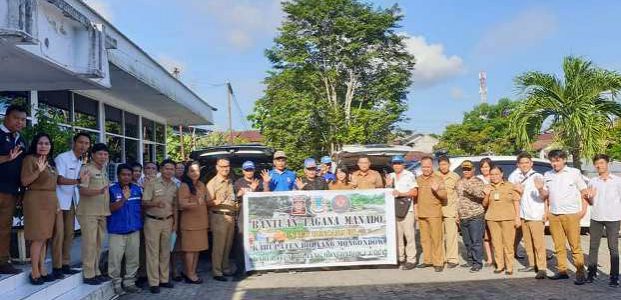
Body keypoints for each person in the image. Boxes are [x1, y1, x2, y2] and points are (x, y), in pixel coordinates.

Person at [535, 149, 588, 284]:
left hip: (571, 214)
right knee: (558, 245)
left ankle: (580, 272)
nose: (555, 164)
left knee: (575, 245)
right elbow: (544, 196)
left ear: (564, 160)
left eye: (557, 160)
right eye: (552, 161)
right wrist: (540, 188)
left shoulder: (574, 173)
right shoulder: (547, 174)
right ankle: (562, 271)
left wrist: (583, 211)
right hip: (554, 215)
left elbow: (584, 191)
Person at [52, 132, 90, 279]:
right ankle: (56, 267)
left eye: (86, 143)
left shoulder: (80, 161)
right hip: (59, 201)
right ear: (74, 142)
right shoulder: (62, 158)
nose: (84, 146)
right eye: (81, 142)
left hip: (72, 201)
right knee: (59, 234)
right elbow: (59, 180)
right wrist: (78, 181)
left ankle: (65, 263)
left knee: (69, 233)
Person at [21, 133, 58, 284]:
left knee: (45, 237)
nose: (43, 146)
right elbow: (24, 182)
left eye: (47, 143)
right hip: (36, 200)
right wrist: (38, 171)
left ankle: (42, 268)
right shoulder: (30, 159)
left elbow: (53, 184)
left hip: (50, 200)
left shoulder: (50, 161)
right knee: (38, 237)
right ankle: (34, 272)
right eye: (40, 143)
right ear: (35, 145)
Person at [508, 152, 547, 279]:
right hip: (524, 214)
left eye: (526, 162)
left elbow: (545, 196)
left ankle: (542, 267)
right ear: (518, 165)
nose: (524, 165)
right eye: (522, 163)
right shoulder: (518, 178)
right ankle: (532, 263)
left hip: (536, 214)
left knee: (538, 243)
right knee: (528, 242)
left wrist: (540, 189)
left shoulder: (538, 176)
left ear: (531, 163)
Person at [142, 159, 178, 293]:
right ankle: (153, 282)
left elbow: (175, 206)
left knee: (165, 252)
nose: (169, 171)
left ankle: (164, 279)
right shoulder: (152, 183)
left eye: (171, 169)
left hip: (168, 221)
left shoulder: (175, 186)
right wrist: (155, 204)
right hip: (152, 221)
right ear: (161, 170)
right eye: (167, 168)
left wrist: (175, 223)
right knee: (152, 252)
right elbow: (144, 202)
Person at [585, 154, 621, 287]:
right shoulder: (593, 181)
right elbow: (590, 202)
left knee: (613, 248)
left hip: (613, 218)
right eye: (597, 164)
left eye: (601, 163)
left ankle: (614, 276)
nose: (599, 166)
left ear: (607, 164)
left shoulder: (618, 181)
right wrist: (590, 197)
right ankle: (591, 273)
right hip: (596, 217)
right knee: (593, 246)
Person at [107, 164, 143, 295]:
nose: (126, 177)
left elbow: (141, 208)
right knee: (115, 260)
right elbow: (109, 209)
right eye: (123, 174)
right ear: (118, 176)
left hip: (134, 230)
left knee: (133, 259)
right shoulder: (111, 190)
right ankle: (116, 284)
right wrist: (123, 199)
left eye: (129, 175)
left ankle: (130, 283)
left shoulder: (138, 189)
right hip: (116, 231)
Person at [77, 143, 111, 285]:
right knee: (90, 244)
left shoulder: (103, 170)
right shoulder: (86, 169)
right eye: (100, 154)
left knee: (98, 244)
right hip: (88, 213)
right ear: (93, 155)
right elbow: (82, 190)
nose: (103, 157)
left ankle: (96, 271)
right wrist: (99, 191)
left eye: (105, 154)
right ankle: (88, 274)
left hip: (102, 212)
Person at [232, 161, 270, 281]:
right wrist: (250, 191)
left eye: (251, 169)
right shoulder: (238, 182)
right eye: (247, 170)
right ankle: (240, 269)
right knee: (241, 243)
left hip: (256, 216)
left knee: (256, 240)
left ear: (254, 170)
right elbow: (235, 197)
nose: (249, 172)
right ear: (243, 171)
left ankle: (254, 267)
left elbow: (266, 196)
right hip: (243, 216)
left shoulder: (258, 181)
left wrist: (266, 183)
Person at [0, 104, 26, 275]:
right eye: (16, 118)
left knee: (4, 227)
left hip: (10, 191)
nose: (20, 122)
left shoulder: (21, 139)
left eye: (23, 119)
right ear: (6, 117)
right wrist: (6, 158)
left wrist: (22, 190)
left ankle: (3, 262)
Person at [483, 166, 520, 275]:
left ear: (502, 174)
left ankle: (509, 267)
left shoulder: (510, 186)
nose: (494, 177)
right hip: (492, 219)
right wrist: (486, 194)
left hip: (508, 218)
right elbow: (484, 204)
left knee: (508, 244)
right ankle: (500, 265)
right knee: (496, 243)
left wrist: (517, 217)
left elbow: (516, 202)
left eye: (496, 174)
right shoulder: (487, 187)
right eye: (492, 174)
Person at [177, 161, 208, 284]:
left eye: (197, 170)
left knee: (197, 249)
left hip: (201, 223)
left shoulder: (201, 184)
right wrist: (196, 203)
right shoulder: (184, 186)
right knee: (190, 250)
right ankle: (190, 274)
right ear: (187, 172)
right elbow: (181, 204)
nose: (195, 173)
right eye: (192, 171)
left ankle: (192, 271)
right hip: (190, 224)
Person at [385, 155, 418, 270]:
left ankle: (411, 260)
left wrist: (401, 194)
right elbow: (387, 192)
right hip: (394, 210)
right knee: (397, 237)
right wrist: (388, 185)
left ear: (403, 164)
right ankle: (400, 258)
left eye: (399, 163)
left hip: (407, 209)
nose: (397, 165)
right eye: (395, 163)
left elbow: (414, 192)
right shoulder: (390, 176)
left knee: (409, 236)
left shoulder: (409, 175)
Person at [416, 156, 447, 272]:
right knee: (424, 239)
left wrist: (437, 190)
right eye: (424, 167)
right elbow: (415, 196)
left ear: (432, 167)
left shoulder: (438, 179)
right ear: (421, 167)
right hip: (422, 213)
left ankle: (438, 262)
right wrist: (416, 211)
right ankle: (427, 260)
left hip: (434, 213)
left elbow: (444, 196)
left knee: (436, 238)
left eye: (428, 167)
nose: (426, 169)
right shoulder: (418, 179)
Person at [207, 158, 237, 282]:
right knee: (219, 246)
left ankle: (225, 268)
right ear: (217, 167)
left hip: (230, 216)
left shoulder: (229, 181)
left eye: (227, 166)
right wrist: (216, 201)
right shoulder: (212, 183)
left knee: (228, 245)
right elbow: (207, 202)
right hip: (219, 216)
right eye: (223, 166)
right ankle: (217, 272)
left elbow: (232, 198)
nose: (225, 168)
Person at [456, 160, 486, 272]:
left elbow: (481, 195)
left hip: (475, 215)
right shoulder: (459, 182)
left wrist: (469, 188)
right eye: (464, 169)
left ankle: (478, 262)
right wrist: (457, 214)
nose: (466, 171)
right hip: (463, 216)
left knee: (476, 241)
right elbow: (457, 198)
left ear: (473, 169)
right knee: (467, 241)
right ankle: (470, 260)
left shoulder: (478, 181)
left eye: (468, 169)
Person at [436, 156, 460, 268]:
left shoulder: (455, 177)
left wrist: (457, 212)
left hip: (450, 210)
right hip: (436, 211)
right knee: (438, 236)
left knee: (451, 236)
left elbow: (459, 196)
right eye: (441, 164)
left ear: (449, 165)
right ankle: (441, 258)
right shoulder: (434, 176)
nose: (443, 167)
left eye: (445, 164)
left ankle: (452, 259)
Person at [478, 157, 494, 267]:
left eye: (487, 167)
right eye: (482, 167)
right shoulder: (478, 179)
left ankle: (498, 257)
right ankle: (489, 258)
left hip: (495, 209)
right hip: (482, 210)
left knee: (496, 235)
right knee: (486, 236)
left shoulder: (495, 177)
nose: (485, 169)